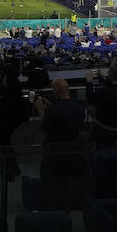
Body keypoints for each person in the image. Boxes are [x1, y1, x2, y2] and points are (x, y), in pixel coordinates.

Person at [36, 79, 86, 210]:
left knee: (50, 183)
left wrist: (41, 111)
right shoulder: (79, 109)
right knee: (68, 183)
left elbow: (46, 126)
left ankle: (52, 211)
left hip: (54, 152)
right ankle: (66, 209)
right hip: (74, 152)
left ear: (56, 91)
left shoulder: (53, 111)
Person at [88, 66, 117, 147]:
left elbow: (90, 98)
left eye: (108, 75)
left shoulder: (105, 91)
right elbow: (113, 87)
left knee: (91, 109)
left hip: (105, 126)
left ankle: (93, 146)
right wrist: (103, 78)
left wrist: (89, 81)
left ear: (111, 77)